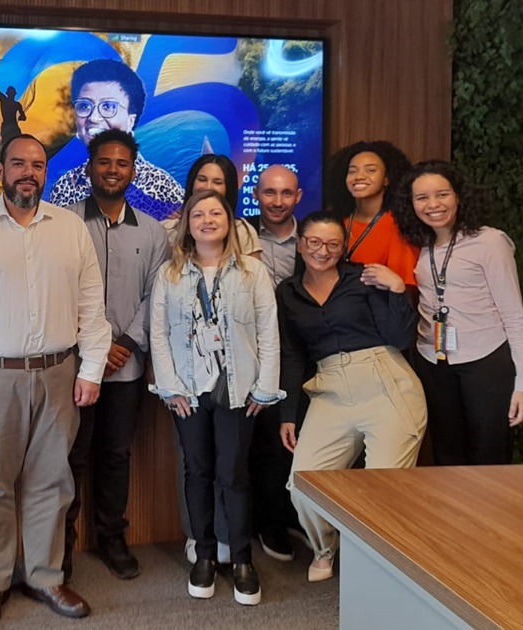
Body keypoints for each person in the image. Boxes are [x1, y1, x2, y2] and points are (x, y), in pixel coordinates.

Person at [0, 134, 111, 629]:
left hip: (59, 373)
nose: (28, 172)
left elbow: (92, 308)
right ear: (0, 172)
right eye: (18, 163)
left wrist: (91, 369)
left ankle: (46, 576)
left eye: (37, 164)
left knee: (53, 482)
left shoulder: (71, 230)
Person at [276, 211, 425, 583]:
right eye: (314, 242)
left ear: (343, 247)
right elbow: (293, 355)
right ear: (300, 244)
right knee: (303, 484)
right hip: (329, 391)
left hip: (385, 382)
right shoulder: (288, 292)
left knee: (384, 487)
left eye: (333, 244)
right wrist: (287, 413)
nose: (323, 251)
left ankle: (378, 568)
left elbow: (401, 336)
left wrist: (394, 288)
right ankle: (325, 549)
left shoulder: (363, 278)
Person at [149, 189, 281, 605]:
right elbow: (158, 335)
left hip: (239, 389)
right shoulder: (170, 274)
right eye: (198, 214)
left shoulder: (252, 272)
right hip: (187, 390)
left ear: (230, 222)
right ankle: (203, 554)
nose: (207, 220)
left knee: (235, 473)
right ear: (187, 223)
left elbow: (268, 331)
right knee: (197, 472)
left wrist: (265, 387)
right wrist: (169, 387)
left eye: (216, 213)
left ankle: (242, 560)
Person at [63, 129, 169, 581]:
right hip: (73, 368)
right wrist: (92, 348)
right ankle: (60, 546)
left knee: (115, 455)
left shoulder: (153, 231)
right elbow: (55, 294)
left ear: (133, 170)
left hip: (125, 366)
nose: (112, 169)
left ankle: (112, 537)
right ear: (89, 168)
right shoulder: (62, 224)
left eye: (121, 163)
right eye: (103, 161)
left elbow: (156, 295)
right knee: (68, 456)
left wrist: (125, 343)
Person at [393, 160, 523, 464]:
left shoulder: (490, 241)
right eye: (422, 198)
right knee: (446, 454)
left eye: (442, 194)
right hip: (433, 360)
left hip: (485, 359)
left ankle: (490, 514)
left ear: (459, 196)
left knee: (489, 455)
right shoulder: (422, 245)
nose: (433, 204)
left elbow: (514, 316)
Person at [243, 165, 306, 563]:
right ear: (256, 194)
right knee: (265, 443)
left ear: (298, 196)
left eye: (286, 193)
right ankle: (268, 523)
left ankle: (292, 516)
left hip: (303, 354)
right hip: (253, 355)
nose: (277, 201)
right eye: (269, 193)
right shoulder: (240, 233)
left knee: (298, 442)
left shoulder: (315, 236)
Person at [47, 59, 184, 220]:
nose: (94, 117)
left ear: (131, 120)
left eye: (108, 107)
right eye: (84, 106)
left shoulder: (164, 188)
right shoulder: (65, 186)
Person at [325, 141, 418, 287]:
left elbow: (406, 287)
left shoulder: (399, 225)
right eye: (352, 171)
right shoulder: (336, 220)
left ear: (387, 179)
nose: (359, 176)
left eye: (370, 170)